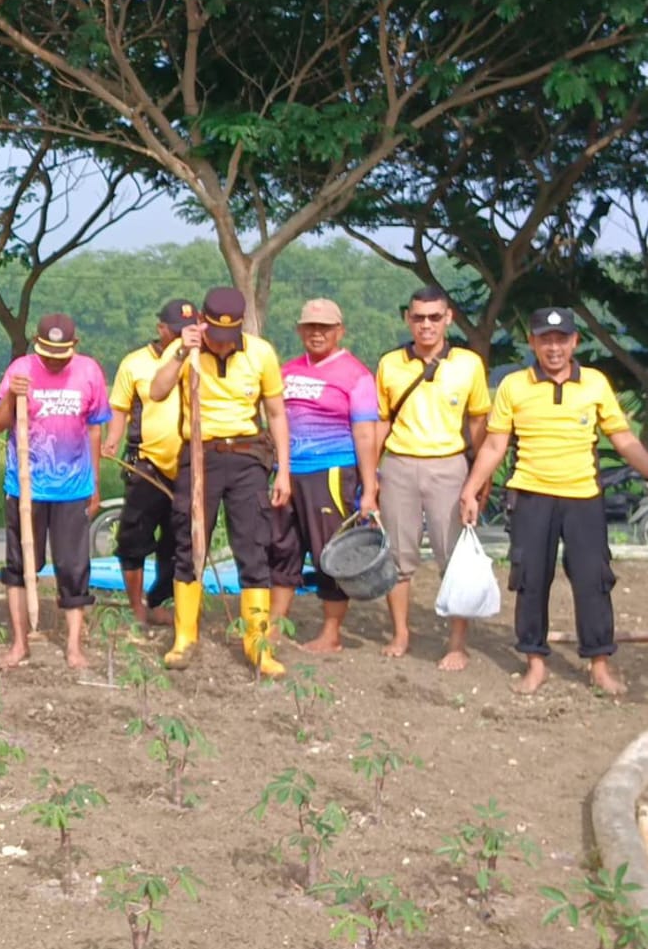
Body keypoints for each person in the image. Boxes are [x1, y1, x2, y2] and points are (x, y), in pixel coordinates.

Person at [459, 308, 648, 696]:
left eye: (561, 339)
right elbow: (495, 444)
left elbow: (624, 439)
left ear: (575, 342)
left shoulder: (595, 384)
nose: (554, 347)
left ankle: (599, 663)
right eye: (545, 339)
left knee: (593, 580)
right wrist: (470, 488)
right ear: (533, 343)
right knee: (529, 580)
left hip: (583, 498)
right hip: (531, 496)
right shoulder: (514, 385)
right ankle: (535, 662)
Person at [149, 286, 291, 677]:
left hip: (247, 457)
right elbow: (157, 392)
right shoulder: (185, 349)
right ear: (202, 324)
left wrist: (285, 470)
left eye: (231, 338)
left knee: (254, 547)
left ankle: (256, 645)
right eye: (215, 335)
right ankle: (185, 637)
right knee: (188, 542)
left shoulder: (261, 353)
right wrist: (181, 351)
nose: (223, 345)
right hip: (199, 456)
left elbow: (276, 413)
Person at [375, 285, 490, 671]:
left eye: (434, 317)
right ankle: (401, 632)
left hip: (449, 465)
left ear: (448, 318)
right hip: (399, 464)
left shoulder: (469, 364)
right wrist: (370, 476)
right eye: (419, 317)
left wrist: (480, 479)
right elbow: (382, 420)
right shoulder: (390, 363)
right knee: (397, 556)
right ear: (408, 319)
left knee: (454, 556)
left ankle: (457, 643)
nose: (426, 325)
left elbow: (478, 422)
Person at [0, 314, 111, 669]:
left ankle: (74, 646)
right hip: (25, 487)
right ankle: (19, 642)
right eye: (47, 353)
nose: (53, 361)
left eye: (61, 354)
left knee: (73, 567)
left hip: (73, 486)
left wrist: (95, 485)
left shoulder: (89, 372)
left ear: (74, 346)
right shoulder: (21, 369)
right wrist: (13, 397)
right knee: (20, 564)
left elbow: (94, 430)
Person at [268, 299, 380, 653]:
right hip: (288, 473)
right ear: (300, 330)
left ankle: (331, 632)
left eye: (325, 328)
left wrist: (369, 488)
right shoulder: (286, 371)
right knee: (282, 547)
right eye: (310, 328)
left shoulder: (356, 375)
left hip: (331, 471)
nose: (317, 334)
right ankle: (275, 625)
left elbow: (365, 434)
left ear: (339, 331)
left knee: (328, 552)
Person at [101, 299, 194, 626]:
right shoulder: (135, 363)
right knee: (134, 536)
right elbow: (120, 408)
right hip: (146, 465)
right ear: (161, 329)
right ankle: (136, 607)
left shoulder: (199, 358)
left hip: (185, 465)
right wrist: (112, 439)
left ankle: (161, 602)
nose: (183, 337)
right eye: (177, 331)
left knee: (178, 538)